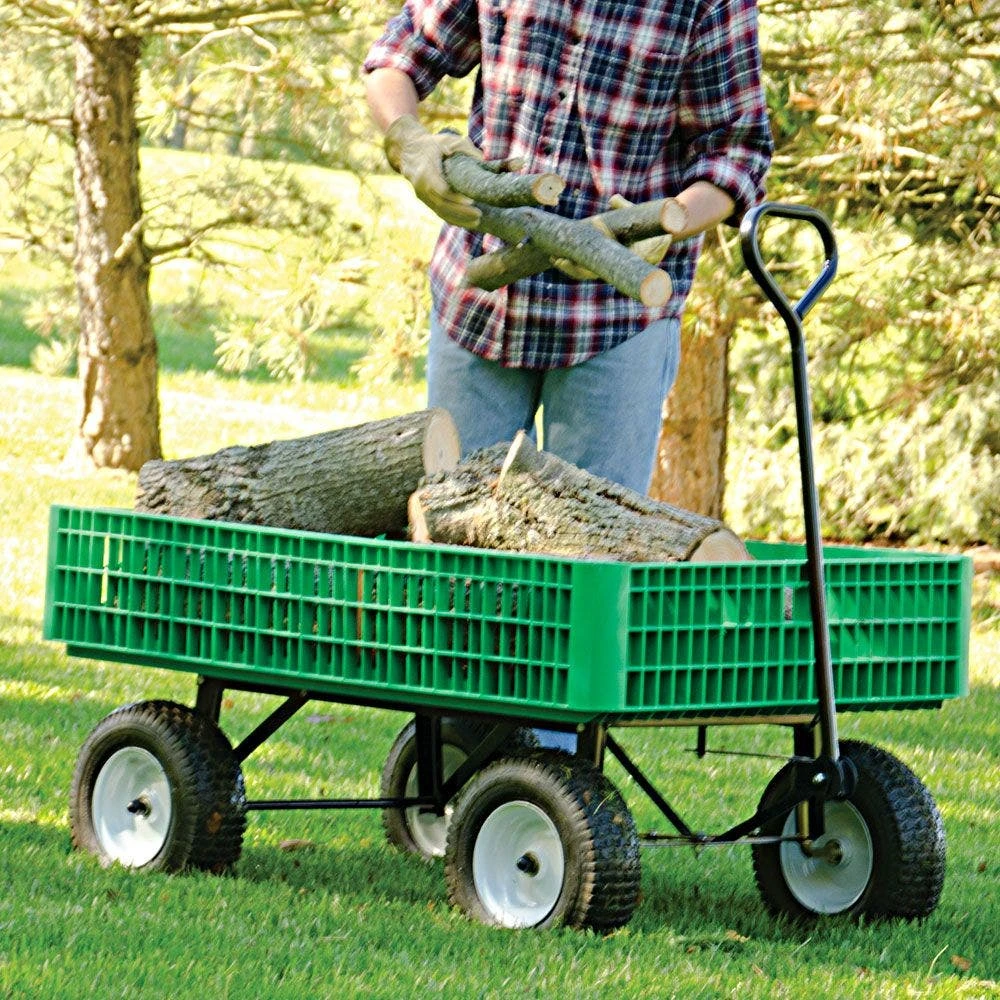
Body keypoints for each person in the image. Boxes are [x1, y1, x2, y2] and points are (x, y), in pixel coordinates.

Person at [363, 1, 772, 495]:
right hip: (478, 296)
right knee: (455, 544)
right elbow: (399, 55)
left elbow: (737, 151)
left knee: (590, 550)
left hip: (614, 317)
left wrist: (666, 222)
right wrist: (408, 139)